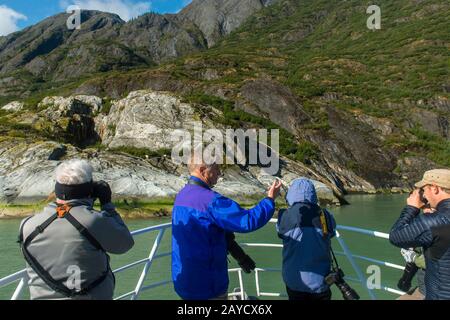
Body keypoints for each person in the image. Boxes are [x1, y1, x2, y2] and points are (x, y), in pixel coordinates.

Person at [18, 159, 135, 300]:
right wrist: (107, 205)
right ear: (90, 190)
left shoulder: (27, 225)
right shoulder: (94, 221)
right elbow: (125, 244)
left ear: (57, 189)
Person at [171, 154, 282, 300]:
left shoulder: (182, 196)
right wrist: (270, 199)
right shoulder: (209, 200)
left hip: (185, 281)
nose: (219, 173)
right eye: (216, 169)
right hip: (207, 285)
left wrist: (239, 255)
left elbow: (208, 230)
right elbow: (247, 221)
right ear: (203, 170)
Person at [389, 169, 450, 300]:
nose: (424, 194)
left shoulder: (433, 222)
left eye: (424, 189)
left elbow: (395, 236)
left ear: (434, 188)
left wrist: (411, 208)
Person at [277, 178, 337, 300]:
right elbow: (331, 233)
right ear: (313, 195)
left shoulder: (284, 214)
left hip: (294, 280)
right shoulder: (325, 215)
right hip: (320, 281)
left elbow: (280, 232)